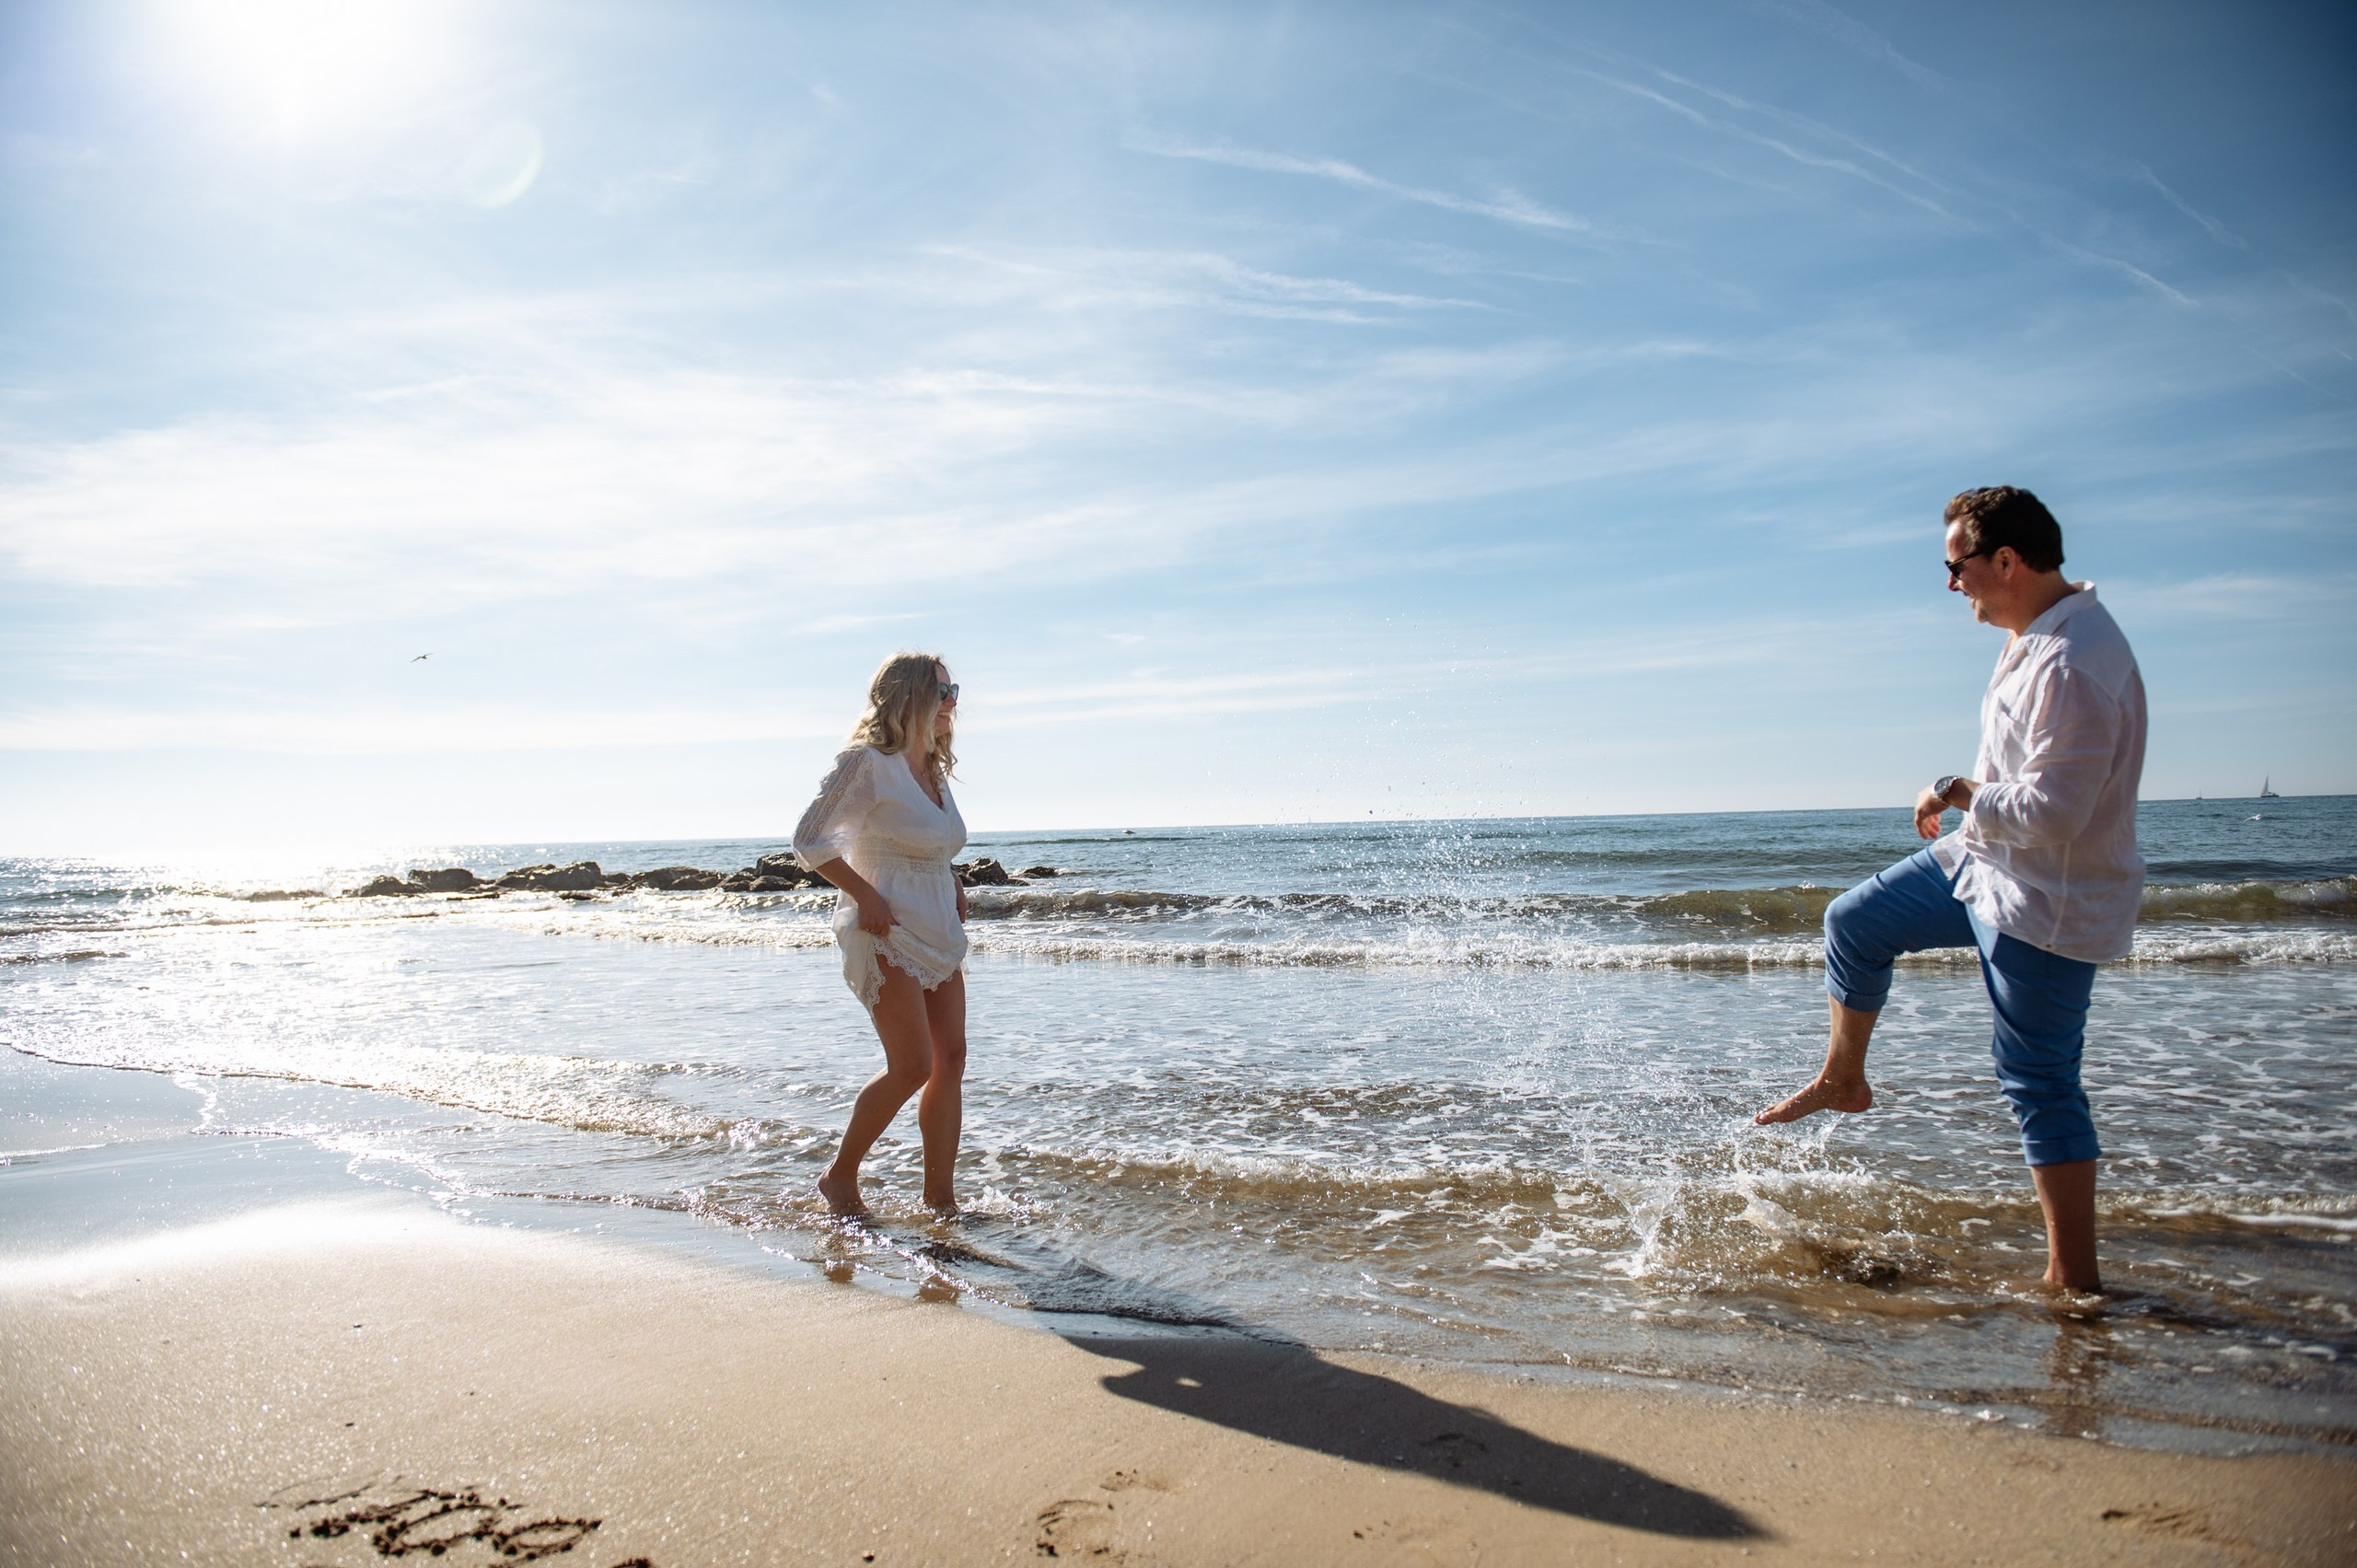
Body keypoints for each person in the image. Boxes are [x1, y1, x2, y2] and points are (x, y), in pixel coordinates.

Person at [1755, 487, 2146, 1295]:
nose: (1949, 582)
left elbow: (2057, 812)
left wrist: (1961, 789)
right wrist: (1961, 797)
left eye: (1955, 564)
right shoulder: (2038, 634)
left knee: (2038, 1081)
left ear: (2005, 559)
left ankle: (2074, 1283)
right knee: (1854, 920)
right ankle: (1843, 1077)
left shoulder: (2074, 660)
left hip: (2045, 897)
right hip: (1985, 863)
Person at [792, 653, 970, 1217]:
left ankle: (940, 1200)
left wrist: (953, 877)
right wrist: (865, 894)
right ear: (909, 696)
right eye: (942, 690)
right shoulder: (867, 763)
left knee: (952, 1059)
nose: (952, 701)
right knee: (912, 1064)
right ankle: (839, 1178)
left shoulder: (932, 769)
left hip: (936, 926)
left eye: (954, 690)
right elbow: (810, 840)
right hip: (885, 927)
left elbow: (930, 841)